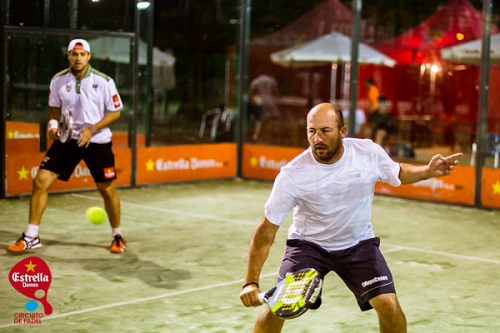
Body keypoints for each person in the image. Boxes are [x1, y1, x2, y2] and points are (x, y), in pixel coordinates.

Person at [239, 103, 462, 333]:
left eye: (325, 131)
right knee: (274, 311)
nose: (317, 138)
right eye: (311, 131)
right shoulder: (292, 175)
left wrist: (427, 171)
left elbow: (396, 172)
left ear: (342, 131)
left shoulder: (367, 152)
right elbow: (266, 231)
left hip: (358, 244)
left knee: (388, 304)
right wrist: (251, 282)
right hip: (309, 246)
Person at [7, 39, 126, 254]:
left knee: (106, 190)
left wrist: (92, 129)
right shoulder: (58, 80)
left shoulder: (104, 81)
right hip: (68, 140)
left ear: (89, 56)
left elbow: (115, 112)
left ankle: (117, 235)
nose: (78, 58)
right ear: (69, 56)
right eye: (74, 54)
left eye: (82, 54)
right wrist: (53, 126)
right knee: (40, 181)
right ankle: (31, 236)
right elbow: (54, 109)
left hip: (97, 141)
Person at [248, 73, 279, 141]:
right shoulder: (272, 80)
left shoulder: (255, 81)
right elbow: (276, 93)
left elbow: (251, 94)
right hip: (271, 102)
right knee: (274, 119)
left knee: (259, 121)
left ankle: (256, 135)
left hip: (261, 102)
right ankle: (273, 135)